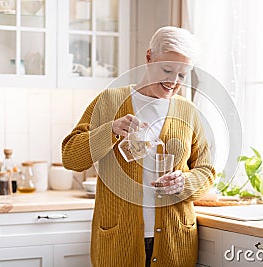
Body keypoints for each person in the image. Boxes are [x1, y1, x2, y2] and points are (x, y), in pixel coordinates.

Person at [62, 26, 215, 267]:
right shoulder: (109, 101)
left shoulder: (188, 111)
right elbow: (71, 157)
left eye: (182, 75)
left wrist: (184, 183)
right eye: (167, 69)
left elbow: (206, 171)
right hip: (117, 239)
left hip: (175, 241)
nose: (173, 82)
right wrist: (110, 130)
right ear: (148, 57)